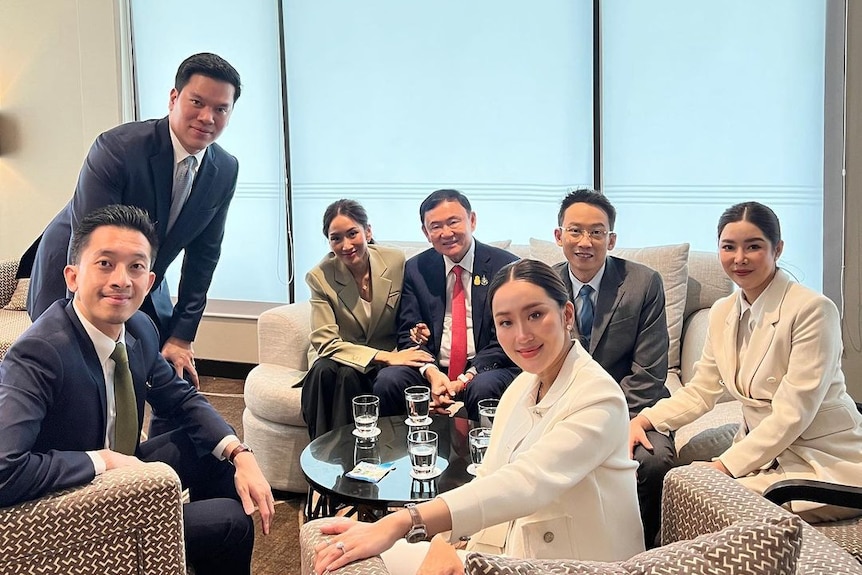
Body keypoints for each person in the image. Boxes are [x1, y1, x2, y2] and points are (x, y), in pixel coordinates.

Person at [313, 259, 644, 575]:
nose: (522, 336)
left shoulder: (599, 396)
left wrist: (401, 522)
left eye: (536, 315)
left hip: (577, 563)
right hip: (508, 551)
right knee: (336, 548)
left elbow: (526, 483)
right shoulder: (522, 387)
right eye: (506, 322)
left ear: (566, 314)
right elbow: (489, 475)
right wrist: (445, 542)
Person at [0, 205, 274, 575]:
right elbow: (4, 470)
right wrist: (103, 459)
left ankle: (168, 555)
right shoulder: (41, 351)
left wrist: (241, 453)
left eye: (136, 267)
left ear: (149, 281)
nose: (121, 280)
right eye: (105, 263)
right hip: (70, 500)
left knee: (214, 454)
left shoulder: (140, 329)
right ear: (72, 276)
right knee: (230, 522)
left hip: (123, 468)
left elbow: (182, 398)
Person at [630, 201, 862, 523]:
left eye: (753, 246)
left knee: (704, 501)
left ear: (777, 249)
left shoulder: (812, 310)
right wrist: (644, 421)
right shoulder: (723, 312)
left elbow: (793, 414)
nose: (739, 258)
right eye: (729, 247)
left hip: (824, 460)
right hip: (766, 456)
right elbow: (701, 391)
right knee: (683, 487)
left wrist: (723, 468)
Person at [24, 52, 242, 389]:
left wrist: (183, 337)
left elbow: (204, 257)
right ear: (174, 98)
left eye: (220, 109)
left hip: (143, 272)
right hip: (77, 264)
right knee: (75, 378)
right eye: (197, 102)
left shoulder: (224, 169)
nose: (207, 117)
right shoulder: (118, 148)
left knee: (170, 368)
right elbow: (91, 238)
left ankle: (149, 440)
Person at [552, 188, 673, 547]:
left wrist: (608, 422)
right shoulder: (543, 286)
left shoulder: (643, 283)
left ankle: (643, 552)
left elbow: (650, 371)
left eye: (596, 232)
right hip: (565, 408)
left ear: (612, 239)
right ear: (559, 236)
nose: (585, 241)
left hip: (633, 409)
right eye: (575, 231)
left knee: (653, 463)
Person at [373, 189, 520, 421]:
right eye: (436, 226)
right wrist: (431, 374)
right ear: (425, 232)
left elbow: (507, 337)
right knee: (389, 381)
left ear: (472, 220)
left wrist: (463, 379)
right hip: (433, 368)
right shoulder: (416, 270)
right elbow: (407, 334)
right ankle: (398, 453)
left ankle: (482, 455)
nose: (446, 233)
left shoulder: (506, 267)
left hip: (485, 368)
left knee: (484, 388)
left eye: (454, 222)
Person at [301, 199, 433, 439]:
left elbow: (409, 310)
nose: (346, 245)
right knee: (333, 372)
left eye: (353, 234)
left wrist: (417, 330)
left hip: (382, 353)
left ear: (368, 231)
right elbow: (326, 342)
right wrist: (389, 357)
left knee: (348, 376)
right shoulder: (319, 277)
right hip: (340, 355)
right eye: (336, 238)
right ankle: (326, 453)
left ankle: (350, 452)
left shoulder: (394, 261)